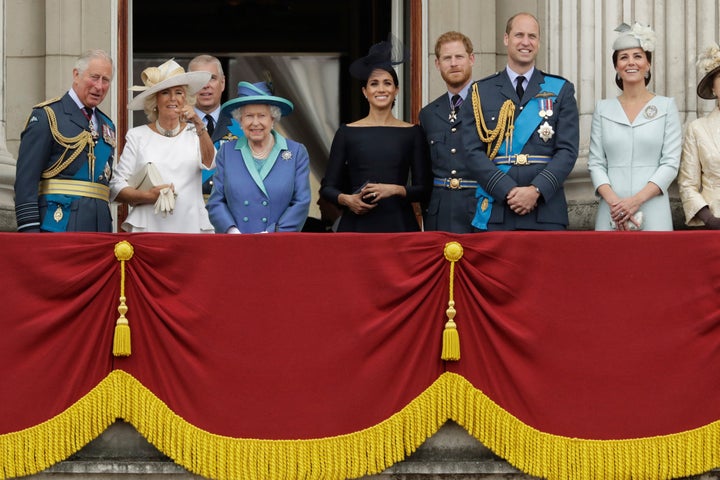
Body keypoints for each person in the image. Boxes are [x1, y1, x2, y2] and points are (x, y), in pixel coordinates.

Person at [460, 12, 579, 231]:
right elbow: (471, 151)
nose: (526, 42)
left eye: (532, 36)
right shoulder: (480, 91)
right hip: (497, 209)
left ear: (539, 42)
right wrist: (507, 190)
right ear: (506, 39)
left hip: (545, 210)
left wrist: (535, 190)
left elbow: (568, 151)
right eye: (519, 35)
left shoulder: (560, 89)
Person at [320, 37, 431, 232]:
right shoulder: (347, 132)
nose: (381, 89)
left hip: (399, 225)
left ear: (396, 90)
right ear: (365, 91)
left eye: (387, 83)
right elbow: (328, 188)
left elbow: (424, 189)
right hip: (356, 225)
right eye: (374, 83)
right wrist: (348, 200)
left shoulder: (413, 132)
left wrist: (395, 189)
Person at [588, 23, 681, 231]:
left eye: (638, 56)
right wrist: (617, 204)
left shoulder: (666, 106)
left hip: (653, 207)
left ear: (648, 64)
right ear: (616, 67)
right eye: (624, 57)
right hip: (611, 211)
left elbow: (670, 163)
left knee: (654, 263)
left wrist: (636, 201)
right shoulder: (602, 109)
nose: (631, 62)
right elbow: (595, 163)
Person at [14, 49, 116, 232]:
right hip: (58, 225)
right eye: (94, 77)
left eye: (105, 80)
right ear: (76, 75)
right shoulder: (48, 116)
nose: (99, 86)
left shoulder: (107, 125)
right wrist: (29, 231)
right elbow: (26, 180)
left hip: (100, 229)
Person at [110, 59, 215, 233]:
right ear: (155, 100)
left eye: (179, 92)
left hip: (191, 227)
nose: (173, 98)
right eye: (165, 92)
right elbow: (116, 187)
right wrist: (147, 196)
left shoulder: (196, 132)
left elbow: (210, 162)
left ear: (185, 98)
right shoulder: (138, 136)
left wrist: (198, 122)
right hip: (150, 228)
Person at [206, 81, 311, 233]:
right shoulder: (227, 152)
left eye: (262, 115)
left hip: (278, 243)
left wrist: (274, 233)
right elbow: (215, 201)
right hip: (237, 243)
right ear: (240, 121)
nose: (255, 123)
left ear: (273, 119)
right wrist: (231, 231)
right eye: (248, 116)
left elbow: (301, 202)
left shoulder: (296, 152)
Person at [420, 31, 476, 233]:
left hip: (480, 209)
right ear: (437, 64)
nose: (453, 63)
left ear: (471, 59)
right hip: (440, 214)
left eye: (459, 57)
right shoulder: (428, 114)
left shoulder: (490, 104)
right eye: (447, 58)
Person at [678, 42, 720, 229]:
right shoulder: (698, 128)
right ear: (713, 87)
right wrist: (710, 219)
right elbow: (687, 184)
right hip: (714, 222)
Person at [188, 55, 233, 198]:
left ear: (223, 82)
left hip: (228, 214)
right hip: (187, 212)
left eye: (212, 78)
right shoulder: (176, 126)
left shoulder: (242, 127)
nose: (205, 85)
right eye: (198, 79)